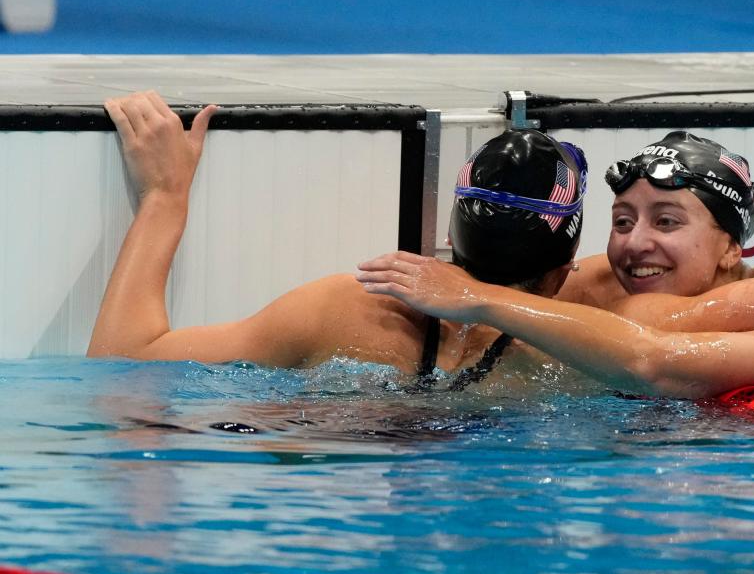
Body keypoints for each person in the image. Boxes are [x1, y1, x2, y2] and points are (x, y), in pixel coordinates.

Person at [87, 91, 589, 386]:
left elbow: (120, 367)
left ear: (451, 236)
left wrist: (165, 195)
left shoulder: (347, 311)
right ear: (559, 277)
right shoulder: (583, 354)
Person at [356, 132, 754, 398]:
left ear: (731, 247)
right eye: (623, 222)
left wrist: (483, 298)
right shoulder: (594, 288)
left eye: (667, 222)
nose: (636, 243)